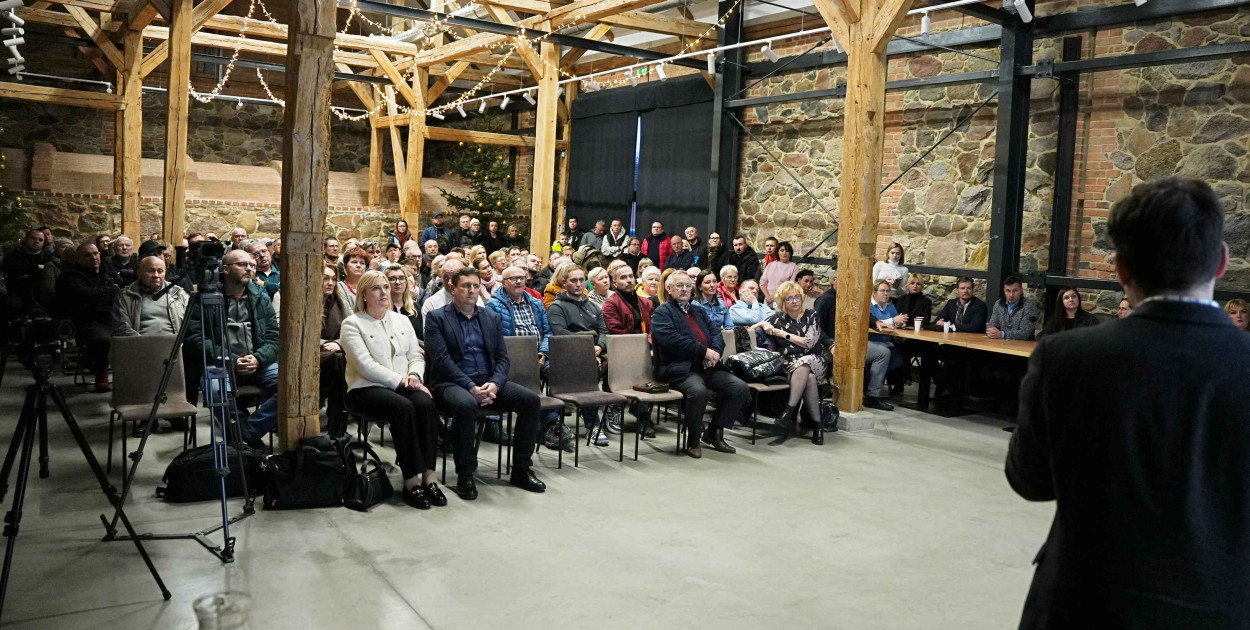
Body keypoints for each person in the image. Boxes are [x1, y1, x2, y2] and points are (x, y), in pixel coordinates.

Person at [1006, 176, 1250, 628]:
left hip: (1083, 604)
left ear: (1119, 269)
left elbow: (1029, 480)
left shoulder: (1067, 358)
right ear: (1220, 262)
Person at [426, 266, 547, 499]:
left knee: (531, 400)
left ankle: (521, 469)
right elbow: (441, 361)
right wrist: (471, 387)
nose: (471, 291)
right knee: (466, 405)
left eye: (475, 286)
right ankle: (465, 474)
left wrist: (495, 384)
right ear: (453, 288)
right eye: (466, 286)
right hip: (451, 383)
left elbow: (502, 358)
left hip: (488, 381)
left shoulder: (490, 317)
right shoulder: (437, 318)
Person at [340, 271, 444, 510]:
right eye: (376, 288)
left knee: (426, 403)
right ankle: (411, 481)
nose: (384, 292)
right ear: (364, 294)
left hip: (404, 383)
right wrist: (402, 381)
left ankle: (429, 476)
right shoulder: (352, 324)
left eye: (385, 287)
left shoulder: (401, 320)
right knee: (404, 407)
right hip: (365, 388)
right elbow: (365, 365)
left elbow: (414, 355)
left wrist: (416, 376)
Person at [650, 270, 750, 458]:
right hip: (679, 368)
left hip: (706, 366)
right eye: (679, 286)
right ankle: (693, 439)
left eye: (688, 286)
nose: (685, 290)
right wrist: (703, 351)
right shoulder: (662, 313)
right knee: (698, 391)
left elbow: (716, 335)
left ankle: (715, 432)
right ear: (668, 288)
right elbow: (671, 340)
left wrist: (714, 354)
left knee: (739, 388)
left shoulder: (699, 311)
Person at [186, 249, 279, 448]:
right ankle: (245, 435)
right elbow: (195, 338)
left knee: (291, 386)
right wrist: (231, 360)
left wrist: (258, 358)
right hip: (220, 364)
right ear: (225, 269)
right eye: (243, 264)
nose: (250, 268)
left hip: (257, 363)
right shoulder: (204, 298)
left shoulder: (261, 298)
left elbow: (274, 338)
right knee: (215, 390)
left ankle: (246, 435)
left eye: (252, 265)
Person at [486, 264, 574, 453]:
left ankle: (550, 423)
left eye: (521, 277)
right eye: (513, 279)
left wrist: (543, 353)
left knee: (560, 373)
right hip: (510, 359)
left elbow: (547, 332)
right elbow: (493, 338)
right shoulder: (494, 305)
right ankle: (549, 424)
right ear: (503, 283)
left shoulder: (535, 302)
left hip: (538, 357)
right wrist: (523, 357)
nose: (518, 281)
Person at [547, 264, 615, 444]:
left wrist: (599, 347)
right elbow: (561, 335)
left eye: (581, 280)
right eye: (573, 280)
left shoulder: (594, 307)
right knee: (587, 372)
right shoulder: (557, 307)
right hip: (567, 356)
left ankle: (609, 414)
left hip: (593, 354)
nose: (578, 284)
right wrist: (588, 347)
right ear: (564, 282)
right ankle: (592, 425)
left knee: (609, 365)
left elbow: (604, 332)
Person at [759, 281, 833, 442]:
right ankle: (817, 427)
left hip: (815, 360)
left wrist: (782, 334)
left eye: (797, 297)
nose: (794, 301)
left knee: (805, 362)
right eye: (789, 298)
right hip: (788, 363)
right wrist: (764, 324)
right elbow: (752, 328)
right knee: (810, 379)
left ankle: (789, 411)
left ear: (802, 298)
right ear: (782, 302)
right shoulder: (777, 318)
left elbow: (809, 342)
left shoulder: (812, 315)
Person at [57, 241, 120, 390]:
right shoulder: (69, 276)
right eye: (87, 255)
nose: (93, 257)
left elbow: (122, 290)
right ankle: (101, 373)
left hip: (114, 317)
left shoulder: (108, 273)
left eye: (95, 253)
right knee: (102, 339)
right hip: (89, 320)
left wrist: (102, 293)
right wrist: (111, 291)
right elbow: (86, 295)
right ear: (78, 259)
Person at [112, 255, 188, 337]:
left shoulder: (179, 293)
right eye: (151, 271)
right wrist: (146, 344)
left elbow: (190, 324)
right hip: (140, 346)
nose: (156, 275)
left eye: (160, 271)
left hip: (175, 345)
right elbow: (122, 328)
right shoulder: (125, 296)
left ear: (165, 273)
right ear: (139, 273)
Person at [317, 264, 349, 436]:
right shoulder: (303, 299)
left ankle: (336, 424)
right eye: (325, 278)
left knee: (340, 360)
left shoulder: (340, 301)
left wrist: (339, 343)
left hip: (335, 352)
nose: (330, 283)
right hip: (308, 352)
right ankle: (337, 426)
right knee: (340, 361)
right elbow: (292, 330)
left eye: (334, 279)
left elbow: (353, 327)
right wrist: (322, 343)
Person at [888, 274, 933, 395]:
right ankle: (898, 381)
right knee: (894, 346)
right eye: (912, 283)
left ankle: (901, 382)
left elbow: (925, 320)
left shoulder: (926, 302)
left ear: (922, 286)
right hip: (900, 334)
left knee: (904, 348)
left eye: (918, 284)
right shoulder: (902, 299)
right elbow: (895, 317)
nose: (915, 286)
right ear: (908, 285)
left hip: (916, 338)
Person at [865, 280, 906, 411]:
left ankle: (894, 388)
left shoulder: (890, 307)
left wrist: (900, 323)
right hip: (869, 342)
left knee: (901, 355)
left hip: (887, 342)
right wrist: (893, 320)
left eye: (888, 291)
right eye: (882, 291)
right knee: (884, 353)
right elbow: (873, 323)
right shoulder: (869, 307)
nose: (886, 294)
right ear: (874, 293)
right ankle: (873, 395)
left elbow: (895, 323)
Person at [3, 229, 51, 312]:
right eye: (33, 238)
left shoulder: (48, 257)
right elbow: (13, 269)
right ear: (26, 239)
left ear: (43, 243)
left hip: (40, 292)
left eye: (40, 240)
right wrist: (36, 267)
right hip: (18, 291)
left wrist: (27, 270)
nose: (36, 241)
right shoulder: (14, 255)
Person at [603, 265, 656, 335]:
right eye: (623, 278)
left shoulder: (647, 303)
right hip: (625, 343)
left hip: (648, 343)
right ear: (615, 283)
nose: (629, 280)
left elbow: (654, 328)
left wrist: (648, 342)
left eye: (631, 276)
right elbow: (617, 330)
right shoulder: (610, 304)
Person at [987, 274, 1039, 340]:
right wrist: (991, 331)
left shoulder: (1029, 306)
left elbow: (1025, 333)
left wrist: (1002, 334)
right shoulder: (998, 304)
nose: (1011, 295)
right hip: (1000, 345)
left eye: (1015, 291)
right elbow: (992, 324)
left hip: (1023, 347)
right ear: (1004, 291)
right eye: (1008, 291)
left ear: (1021, 290)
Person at [384, 265, 422, 340]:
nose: (397, 282)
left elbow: (420, 335)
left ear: (406, 282)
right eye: (392, 279)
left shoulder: (415, 307)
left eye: (401, 278)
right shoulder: (381, 308)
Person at [759, 241, 797, 305]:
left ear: (790, 253)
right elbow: (762, 282)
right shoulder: (770, 265)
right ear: (778, 252)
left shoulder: (794, 267)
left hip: (783, 301)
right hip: (768, 300)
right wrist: (768, 297)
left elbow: (790, 286)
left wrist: (775, 298)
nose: (784, 253)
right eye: (782, 250)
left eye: (787, 251)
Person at [335, 246, 370, 312]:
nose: (358, 265)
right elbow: (346, 311)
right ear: (345, 266)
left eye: (362, 263)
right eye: (354, 262)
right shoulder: (339, 287)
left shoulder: (370, 287)